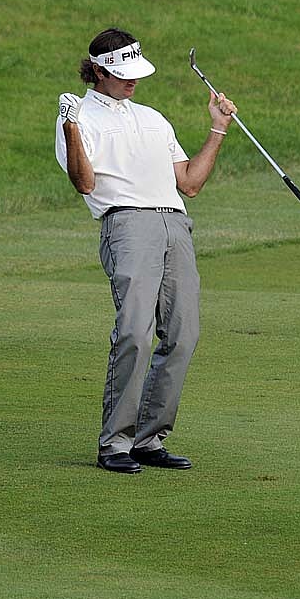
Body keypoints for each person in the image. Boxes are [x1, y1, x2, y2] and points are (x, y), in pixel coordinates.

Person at [55, 27, 237, 474]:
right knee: (135, 330)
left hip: (175, 224)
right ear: (98, 71)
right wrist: (70, 126)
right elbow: (84, 182)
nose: (132, 81)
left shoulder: (155, 118)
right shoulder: (79, 117)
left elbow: (190, 183)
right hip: (127, 224)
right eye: (122, 74)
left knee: (183, 334)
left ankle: (148, 439)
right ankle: (114, 444)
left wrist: (217, 128)